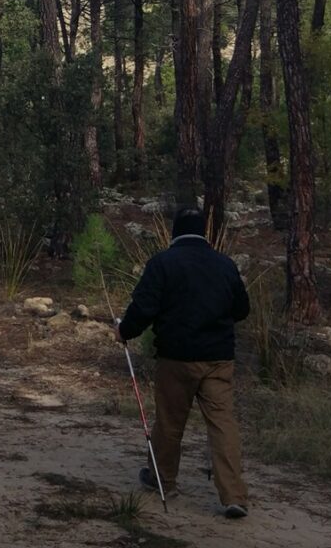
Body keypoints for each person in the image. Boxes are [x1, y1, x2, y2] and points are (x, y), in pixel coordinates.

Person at [117, 208, 251, 520]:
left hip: (176, 358)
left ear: (174, 232)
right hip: (218, 358)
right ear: (204, 232)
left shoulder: (163, 263)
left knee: (170, 421)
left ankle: (163, 480)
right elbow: (242, 309)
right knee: (222, 424)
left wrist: (125, 331)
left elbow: (144, 307)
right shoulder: (225, 264)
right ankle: (234, 495)